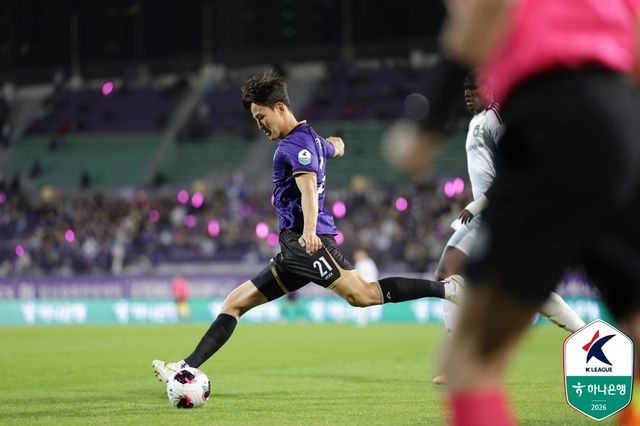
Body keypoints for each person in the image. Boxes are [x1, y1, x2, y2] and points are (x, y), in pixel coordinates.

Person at [409, 1, 640, 424]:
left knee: (470, 358)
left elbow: (472, 27)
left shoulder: (492, 117)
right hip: (621, 122)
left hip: (548, 118)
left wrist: (425, 128)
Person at [152, 71, 465, 382]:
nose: (260, 125)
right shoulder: (310, 140)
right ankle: (186, 367)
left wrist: (310, 231)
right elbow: (335, 146)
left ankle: (448, 288)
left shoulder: (293, 146)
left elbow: (309, 190)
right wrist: (335, 145)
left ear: (280, 108)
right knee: (234, 303)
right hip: (294, 249)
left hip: (306, 244)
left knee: (363, 295)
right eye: (256, 120)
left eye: (261, 117)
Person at [431, 71, 585, 385]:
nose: (468, 93)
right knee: (447, 272)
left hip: (503, 212)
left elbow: (516, 169)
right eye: (465, 89)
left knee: (527, 285)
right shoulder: (477, 121)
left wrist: (478, 205)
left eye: (474, 88)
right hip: (484, 216)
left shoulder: (496, 117)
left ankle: (584, 333)